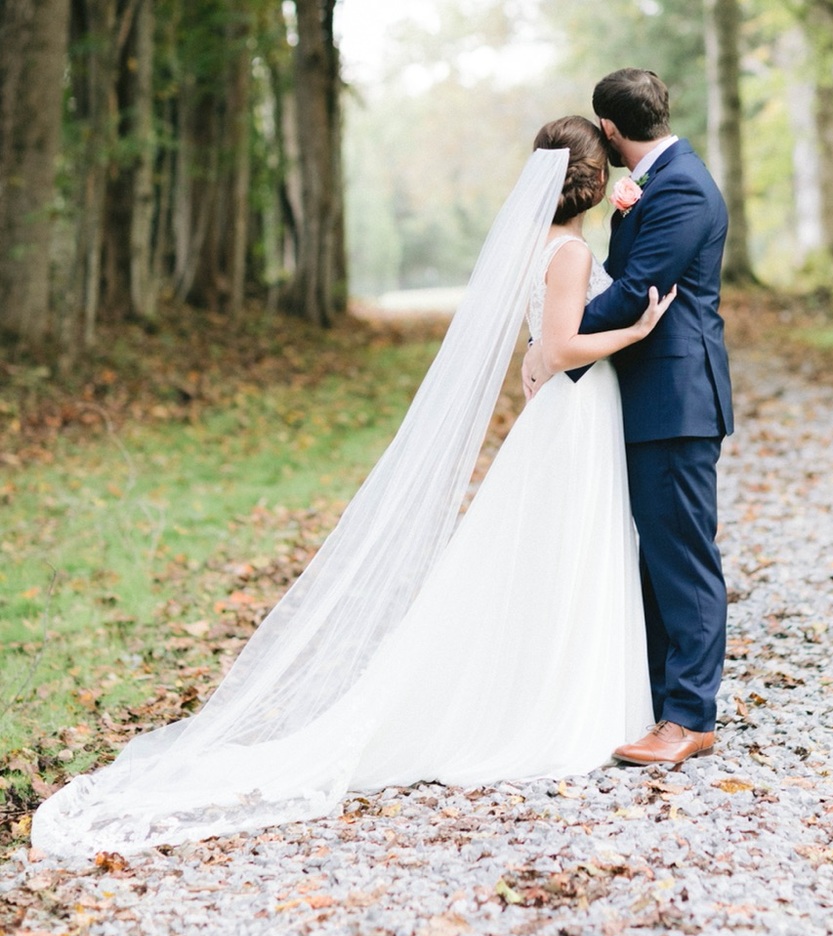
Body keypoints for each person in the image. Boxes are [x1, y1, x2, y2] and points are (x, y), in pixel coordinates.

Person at [31, 116, 673, 860]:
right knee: (565, 549)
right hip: (572, 415)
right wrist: (636, 331)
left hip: (569, 414)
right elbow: (559, 347)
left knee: (553, 554)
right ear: (595, 184)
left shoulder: (543, 244)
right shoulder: (569, 252)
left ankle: (560, 688)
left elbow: (542, 341)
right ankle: (555, 706)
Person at [524, 69, 734, 768]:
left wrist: (554, 345)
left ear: (610, 131)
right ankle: (656, 699)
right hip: (646, 398)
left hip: (676, 401)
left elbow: (639, 290)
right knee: (653, 560)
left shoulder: (683, 188)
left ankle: (689, 718)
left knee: (683, 559)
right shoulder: (656, 181)